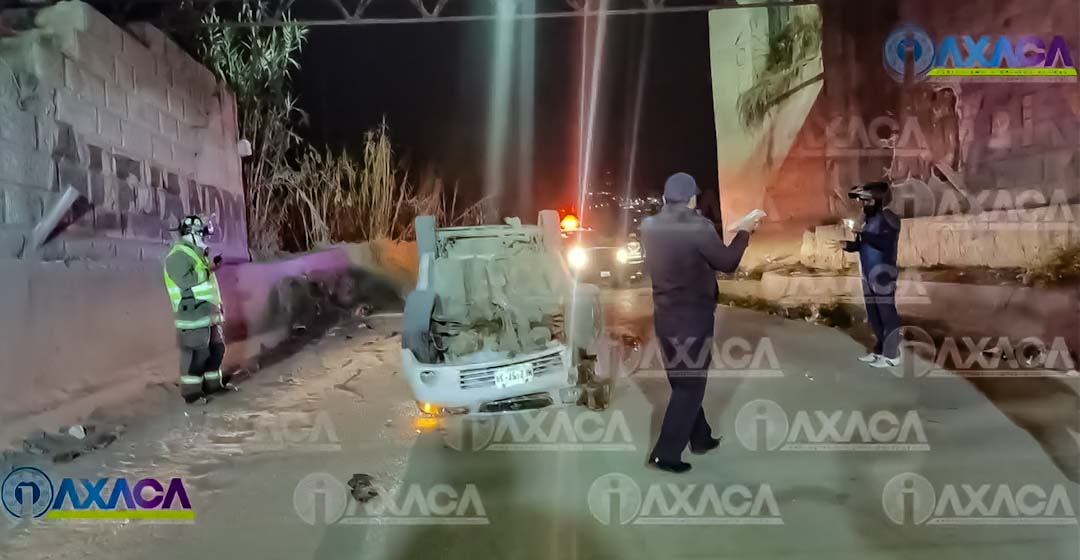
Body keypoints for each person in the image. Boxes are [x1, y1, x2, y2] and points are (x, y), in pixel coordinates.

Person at [640, 172, 760, 473]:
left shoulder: (649, 226)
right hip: (692, 319)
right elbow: (728, 262)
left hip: (664, 316)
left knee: (682, 381)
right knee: (690, 386)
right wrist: (744, 231)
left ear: (667, 198)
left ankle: (700, 437)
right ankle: (664, 454)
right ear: (692, 198)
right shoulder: (699, 226)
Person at [163, 215, 228, 403]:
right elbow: (186, 280)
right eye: (199, 233)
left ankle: (214, 386)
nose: (203, 236)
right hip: (192, 314)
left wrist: (210, 264)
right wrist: (210, 268)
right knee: (196, 354)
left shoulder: (198, 253)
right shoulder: (178, 255)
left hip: (209, 314)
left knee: (216, 350)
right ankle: (191, 393)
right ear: (189, 234)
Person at [840, 181, 902, 368]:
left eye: (867, 201)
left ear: (878, 200)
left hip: (883, 273)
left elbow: (885, 242)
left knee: (887, 314)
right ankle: (879, 351)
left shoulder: (889, 217)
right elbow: (864, 245)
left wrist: (863, 233)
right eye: (863, 202)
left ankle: (892, 356)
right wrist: (848, 245)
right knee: (874, 314)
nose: (864, 205)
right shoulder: (868, 219)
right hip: (867, 273)